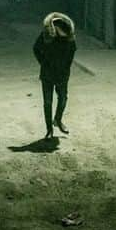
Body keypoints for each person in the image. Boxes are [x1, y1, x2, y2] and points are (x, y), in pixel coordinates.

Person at [33, 11, 77, 139]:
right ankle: (49, 129)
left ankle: (58, 120)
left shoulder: (69, 36)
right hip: (47, 74)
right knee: (47, 102)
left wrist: (66, 68)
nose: (63, 34)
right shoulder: (46, 35)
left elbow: (72, 52)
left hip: (62, 74)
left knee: (63, 98)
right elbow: (36, 48)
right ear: (55, 28)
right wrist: (43, 63)